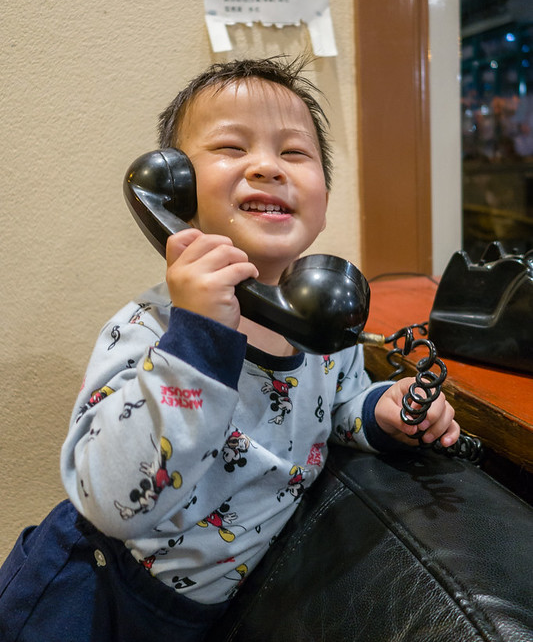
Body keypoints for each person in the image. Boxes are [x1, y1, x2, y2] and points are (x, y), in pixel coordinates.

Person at [0, 56, 460, 642]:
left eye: (295, 153)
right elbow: (113, 503)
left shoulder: (323, 328)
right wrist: (199, 338)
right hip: (90, 594)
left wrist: (382, 413)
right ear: (175, 189)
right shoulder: (151, 330)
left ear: (322, 196)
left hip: (201, 615)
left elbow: (335, 408)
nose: (267, 167)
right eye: (231, 148)